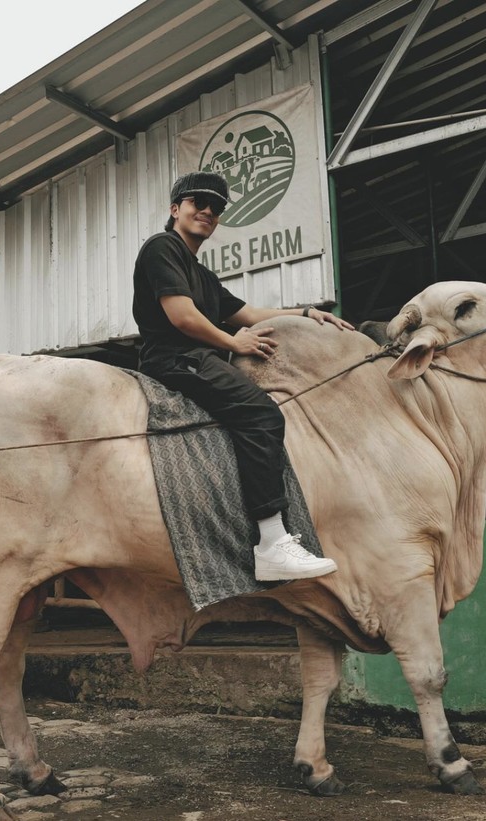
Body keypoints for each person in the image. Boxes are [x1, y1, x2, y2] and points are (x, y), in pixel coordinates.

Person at [132, 172, 354, 581]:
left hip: (196, 355)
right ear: (174, 208)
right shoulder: (162, 248)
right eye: (198, 201)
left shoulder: (203, 274)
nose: (208, 211)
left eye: (216, 208)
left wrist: (305, 314)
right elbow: (182, 317)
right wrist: (234, 343)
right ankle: (271, 541)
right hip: (175, 358)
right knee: (262, 416)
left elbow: (250, 315)